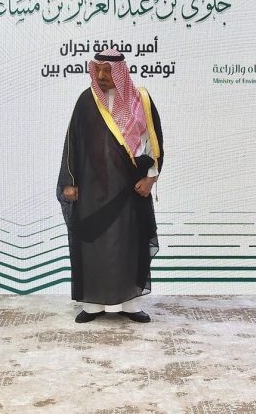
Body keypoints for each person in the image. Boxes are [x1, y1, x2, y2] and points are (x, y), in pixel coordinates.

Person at [57, 49, 164, 323]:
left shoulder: (140, 100)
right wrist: (69, 181)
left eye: (108, 70)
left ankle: (130, 303)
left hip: (130, 188)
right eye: (98, 70)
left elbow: (153, 143)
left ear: (120, 71)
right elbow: (72, 142)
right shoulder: (86, 100)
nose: (102, 76)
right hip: (92, 189)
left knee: (129, 244)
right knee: (93, 245)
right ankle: (93, 305)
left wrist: (150, 178)